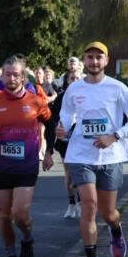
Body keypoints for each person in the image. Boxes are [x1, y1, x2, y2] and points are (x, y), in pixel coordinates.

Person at [57, 41, 128, 257]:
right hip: (80, 155)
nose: (94, 61)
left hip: (111, 157)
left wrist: (114, 136)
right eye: (90, 57)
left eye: (98, 57)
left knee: (108, 212)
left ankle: (116, 230)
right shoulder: (74, 90)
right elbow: (66, 115)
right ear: (83, 60)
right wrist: (62, 127)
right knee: (89, 206)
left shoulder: (117, 88)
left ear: (106, 61)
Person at [0, 56, 54, 257]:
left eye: (16, 74)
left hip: (26, 166)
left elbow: (50, 124)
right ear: (2, 76)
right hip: (0, 166)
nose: (12, 78)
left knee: (19, 213)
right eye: (8, 74)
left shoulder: (36, 101)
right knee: (4, 215)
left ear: (23, 76)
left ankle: (27, 238)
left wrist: (49, 152)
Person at [48, 67, 83, 219]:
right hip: (66, 140)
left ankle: (82, 203)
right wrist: (59, 126)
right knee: (69, 174)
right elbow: (53, 116)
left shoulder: (87, 95)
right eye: (71, 78)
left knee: (81, 171)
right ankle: (72, 203)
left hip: (82, 140)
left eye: (77, 78)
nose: (74, 81)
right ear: (67, 81)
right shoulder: (62, 97)